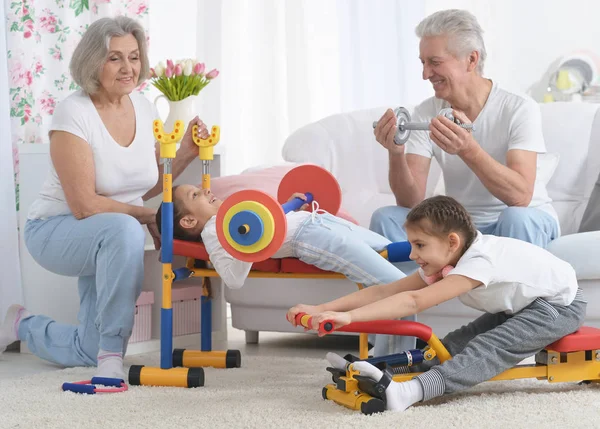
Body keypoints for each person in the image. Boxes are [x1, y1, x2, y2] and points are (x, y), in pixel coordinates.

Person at [0, 16, 210, 380]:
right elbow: (84, 204)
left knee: (86, 348)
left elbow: (142, 184)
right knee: (125, 230)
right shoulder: (74, 112)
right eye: (115, 58)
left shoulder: (143, 107)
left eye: (133, 56)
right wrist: (147, 217)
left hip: (108, 232)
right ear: (93, 62)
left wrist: (188, 151)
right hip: (56, 230)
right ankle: (113, 351)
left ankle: (20, 325)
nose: (128, 68)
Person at [287, 195, 586, 412]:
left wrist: (349, 318)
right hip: (522, 304)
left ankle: (409, 392)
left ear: (452, 242)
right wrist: (322, 309)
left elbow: (413, 300)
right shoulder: (447, 261)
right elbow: (385, 291)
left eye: (420, 245)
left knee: (488, 349)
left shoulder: (478, 262)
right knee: (453, 343)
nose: (414, 254)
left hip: (558, 305)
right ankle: (381, 370)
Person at [371, 9, 559, 251]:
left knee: (516, 217)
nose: (425, 74)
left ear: (471, 60)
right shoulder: (426, 112)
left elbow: (520, 197)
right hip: (462, 226)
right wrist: (395, 153)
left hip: (526, 218)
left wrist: (468, 149)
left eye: (434, 63)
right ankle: (413, 290)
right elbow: (411, 202)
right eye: (423, 62)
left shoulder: (518, 108)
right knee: (386, 217)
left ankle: (513, 288)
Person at [156, 185, 416, 355]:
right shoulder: (217, 230)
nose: (205, 190)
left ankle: (380, 348)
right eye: (195, 195)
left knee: (396, 251)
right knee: (395, 285)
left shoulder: (232, 214)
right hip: (312, 237)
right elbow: (233, 279)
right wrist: (246, 242)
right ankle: (392, 362)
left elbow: (272, 221)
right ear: (189, 220)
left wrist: (287, 205)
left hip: (320, 220)